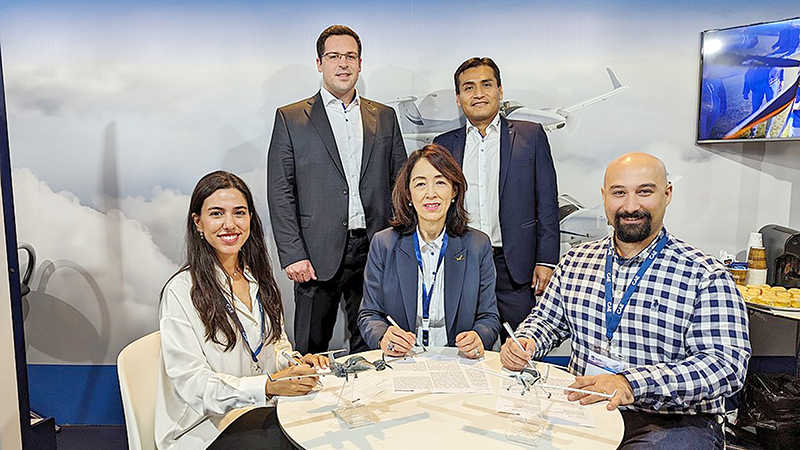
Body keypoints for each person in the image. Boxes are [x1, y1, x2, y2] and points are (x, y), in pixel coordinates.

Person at [500, 153, 751, 449]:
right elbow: (547, 321)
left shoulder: (705, 275)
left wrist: (630, 383)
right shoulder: (575, 261)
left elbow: (724, 366)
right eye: (619, 193)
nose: (630, 206)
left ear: (667, 194)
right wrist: (527, 341)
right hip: (587, 409)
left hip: (670, 422)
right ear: (604, 196)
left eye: (644, 192)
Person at [155, 171, 327, 450]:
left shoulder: (257, 277)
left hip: (259, 410)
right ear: (198, 222)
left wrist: (293, 364)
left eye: (239, 213)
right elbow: (194, 385)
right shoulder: (181, 291)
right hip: (204, 428)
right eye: (216, 214)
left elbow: (275, 344)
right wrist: (267, 386)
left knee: (324, 426)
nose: (230, 224)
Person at [268, 25, 407, 355]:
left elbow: (400, 182)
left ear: (360, 63)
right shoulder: (291, 118)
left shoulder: (384, 116)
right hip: (315, 255)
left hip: (374, 248)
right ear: (320, 63)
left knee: (371, 347)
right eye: (334, 56)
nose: (343, 63)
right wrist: (293, 254)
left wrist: (400, 241)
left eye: (350, 56)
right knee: (310, 350)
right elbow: (280, 190)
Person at [434, 57, 560, 341]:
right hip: (461, 262)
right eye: (469, 88)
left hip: (514, 268)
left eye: (486, 85)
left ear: (500, 91)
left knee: (520, 348)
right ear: (458, 99)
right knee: (463, 349)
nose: (478, 94)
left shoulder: (531, 136)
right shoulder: (444, 145)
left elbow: (547, 203)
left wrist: (547, 260)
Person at [359, 144, 500, 358]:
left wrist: (479, 336)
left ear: (454, 191)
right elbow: (369, 314)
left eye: (440, 182)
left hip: (458, 359)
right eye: (420, 184)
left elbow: (489, 317)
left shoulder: (477, 245)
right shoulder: (384, 244)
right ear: (408, 194)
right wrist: (383, 336)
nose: (430, 194)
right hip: (403, 359)